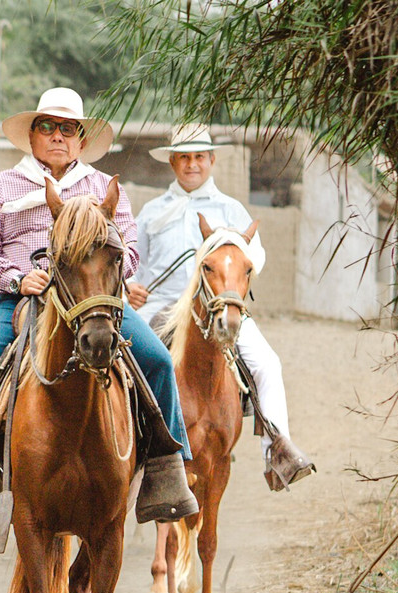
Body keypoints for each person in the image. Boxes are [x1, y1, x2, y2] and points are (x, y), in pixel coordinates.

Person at [0, 88, 198, 524]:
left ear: (79, 139)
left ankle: (167, 467)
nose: (57, 136)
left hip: (91, 299)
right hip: (22, 297)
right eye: (47, 127)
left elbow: (129, 250)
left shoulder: (103, 187)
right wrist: (17, 278)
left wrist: (107, 276)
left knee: (158, 361)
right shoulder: (2, 185)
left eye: (67, 129)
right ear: (33, 135)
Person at [128, 124, 314, 490]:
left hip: (220, 306)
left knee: (267, 363)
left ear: (212, 160)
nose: (192, 164)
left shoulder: (231, 209)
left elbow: (253, 258)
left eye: (199, 157)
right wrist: (130, 286)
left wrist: (229, 280)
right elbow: (134, 264)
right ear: (172, 162)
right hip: (164, 305)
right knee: (129, 363)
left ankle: (276, 452)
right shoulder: (150, 212)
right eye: (184, 157)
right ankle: (130, 450)